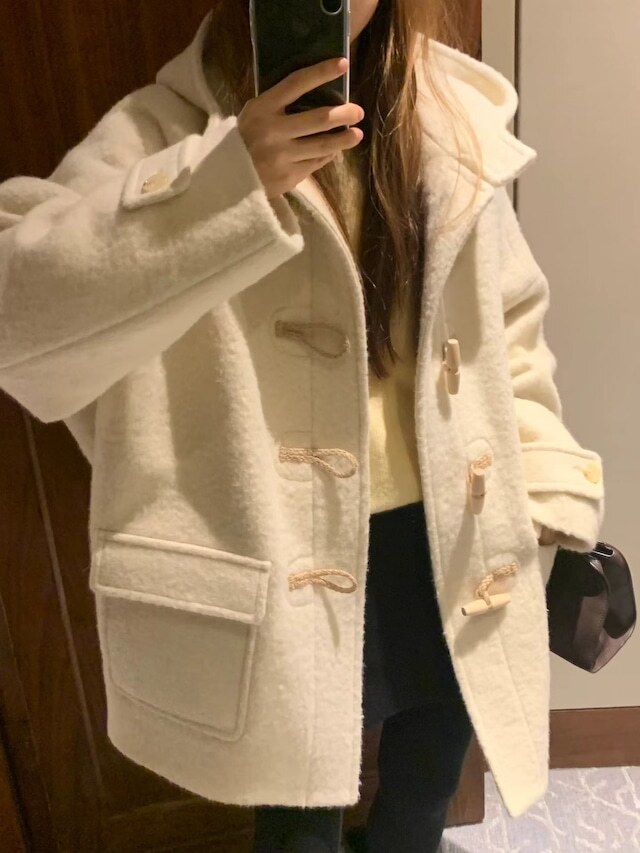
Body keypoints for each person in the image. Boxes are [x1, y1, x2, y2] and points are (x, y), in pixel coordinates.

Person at [0, 1, 605, 852]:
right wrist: (223, 184)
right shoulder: (164, 128)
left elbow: (510, 320)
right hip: (280, 542)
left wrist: (544, 484)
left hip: (452, 527)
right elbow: (18, 316)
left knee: (434, 756)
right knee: (295, 803)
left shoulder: (447, 113)